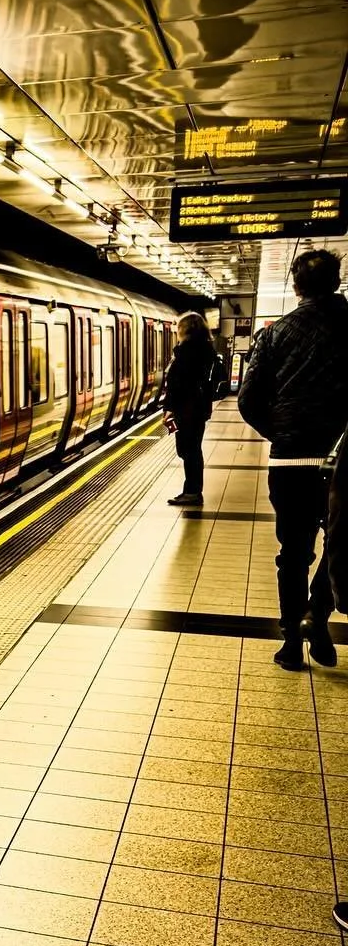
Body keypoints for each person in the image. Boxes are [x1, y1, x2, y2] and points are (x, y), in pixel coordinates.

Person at [239, 248, 348, 670]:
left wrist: (282, 434)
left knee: (293, 551)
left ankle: (290, 641)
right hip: (345, 463)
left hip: (289, 463)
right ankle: (316, 615)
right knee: (338, 546)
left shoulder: (273, 334)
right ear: (336, 282)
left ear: (295, 285)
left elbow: (248, 401)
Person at [162, 312, 219, 505]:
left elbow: (179, 384)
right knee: (191, 449)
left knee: (189, 450)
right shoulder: (206, 350)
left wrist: (169, 408)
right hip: (197, 408)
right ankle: (192, 490)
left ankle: (193, 492)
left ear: (186, 329)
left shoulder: (188, 352)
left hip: (187, 409)